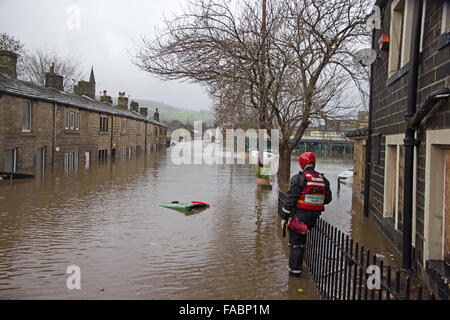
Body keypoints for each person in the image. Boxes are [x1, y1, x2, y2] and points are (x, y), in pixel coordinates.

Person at [280, 152, 332, 277]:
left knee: (296, 244)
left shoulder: (299, 178)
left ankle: (294, 273)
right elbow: (328, 199)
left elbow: (290, 199)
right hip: (314, 218)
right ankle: (301, 264)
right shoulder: (323, 179)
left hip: (299, 217)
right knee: (301, 243)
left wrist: (284, 217)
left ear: (302, 163)